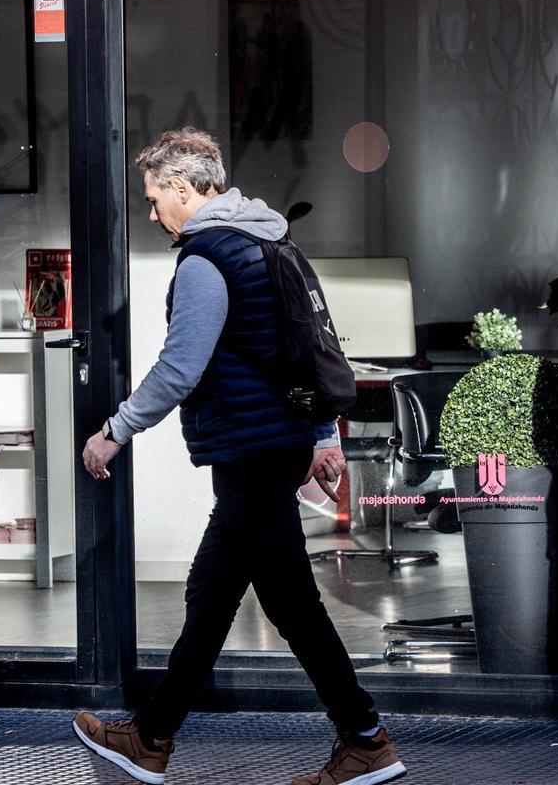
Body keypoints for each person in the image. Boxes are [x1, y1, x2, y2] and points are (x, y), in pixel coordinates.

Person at [72, 127, 406, 785]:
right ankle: (152, 735)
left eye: (152, 198)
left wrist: (115, 429)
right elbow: (311, 350)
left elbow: (180, 368)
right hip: (274, 448)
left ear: (182, 187)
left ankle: (366, 738)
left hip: (251, 452)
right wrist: (321, 438)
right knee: (211, 592)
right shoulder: (268, 240)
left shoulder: (207, 258)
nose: (151, 212)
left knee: (292, 606)